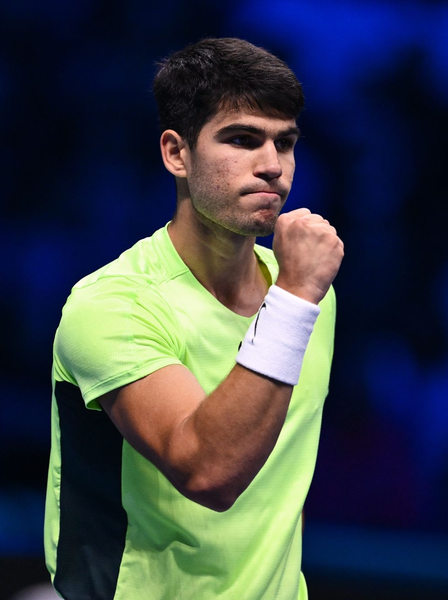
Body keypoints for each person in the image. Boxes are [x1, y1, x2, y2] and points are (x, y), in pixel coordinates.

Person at [44, 37, 343, 600]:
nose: (272, 166)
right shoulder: (112, 305)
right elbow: (209, 473)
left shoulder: (308, 298)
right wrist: (297, 296)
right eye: (242, 139)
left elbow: (283, 480)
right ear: (176, 153)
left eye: (285, 142)